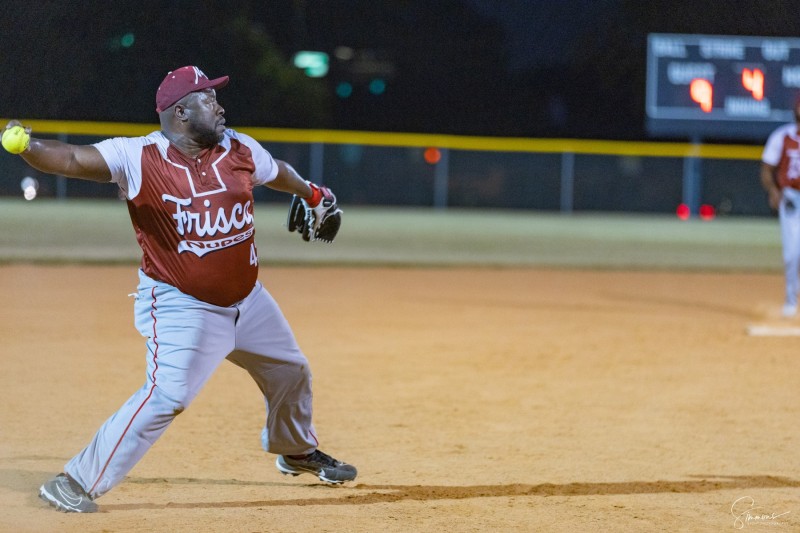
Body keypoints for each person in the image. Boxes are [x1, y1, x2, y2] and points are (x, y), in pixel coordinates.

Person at [4, 65, 356, 513]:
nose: (220, 105)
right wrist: (29, 146)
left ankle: (295, 450)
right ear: (181, 112)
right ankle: (74, 480)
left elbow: (277, 171)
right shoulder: (139, 157)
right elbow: (72, 159)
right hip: (182, 304)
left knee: (291, 371)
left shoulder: (239, 148)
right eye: (209, 99)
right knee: (167, 394)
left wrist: (311, 193)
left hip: (248, 301)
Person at [761, 94, 800, 318]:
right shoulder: (782, 136)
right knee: (791, 254)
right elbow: (767, 168)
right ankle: (790, 300)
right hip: (792, 199)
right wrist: (774, 190)